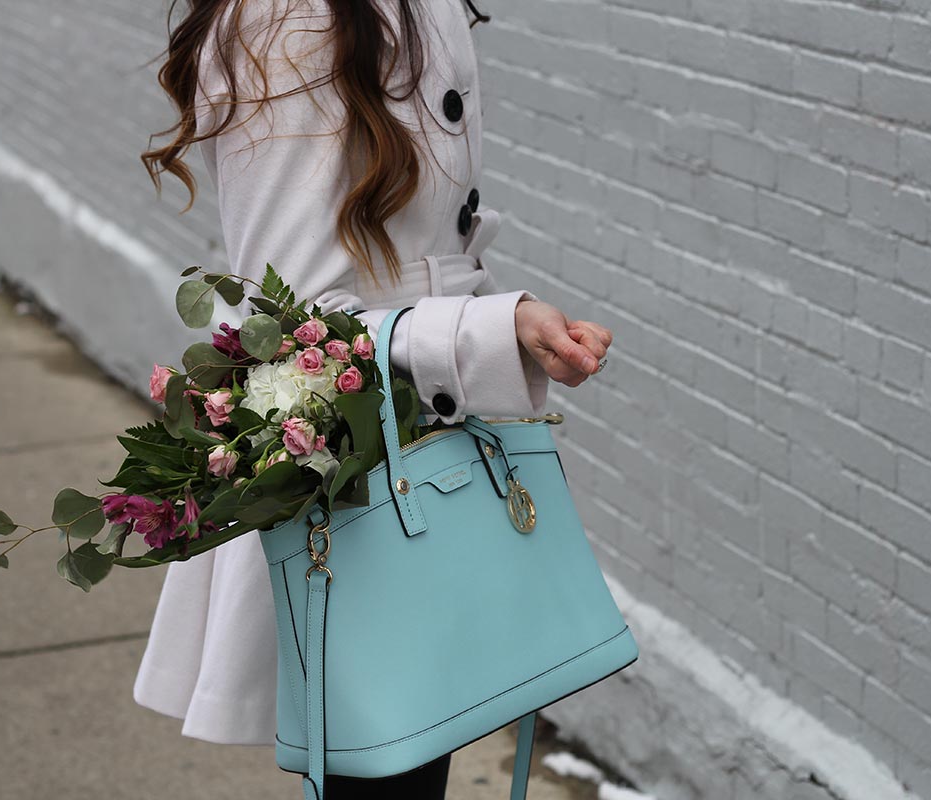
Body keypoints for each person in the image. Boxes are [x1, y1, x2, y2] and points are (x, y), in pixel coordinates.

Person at [132, 0, 613, 795]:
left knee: (413, 753)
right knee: (387, 761)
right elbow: (291, 319)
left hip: (420, 444)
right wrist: (490, 330)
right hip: (358, 475)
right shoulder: (289, 19)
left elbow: (416, 248)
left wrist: (507, 320)